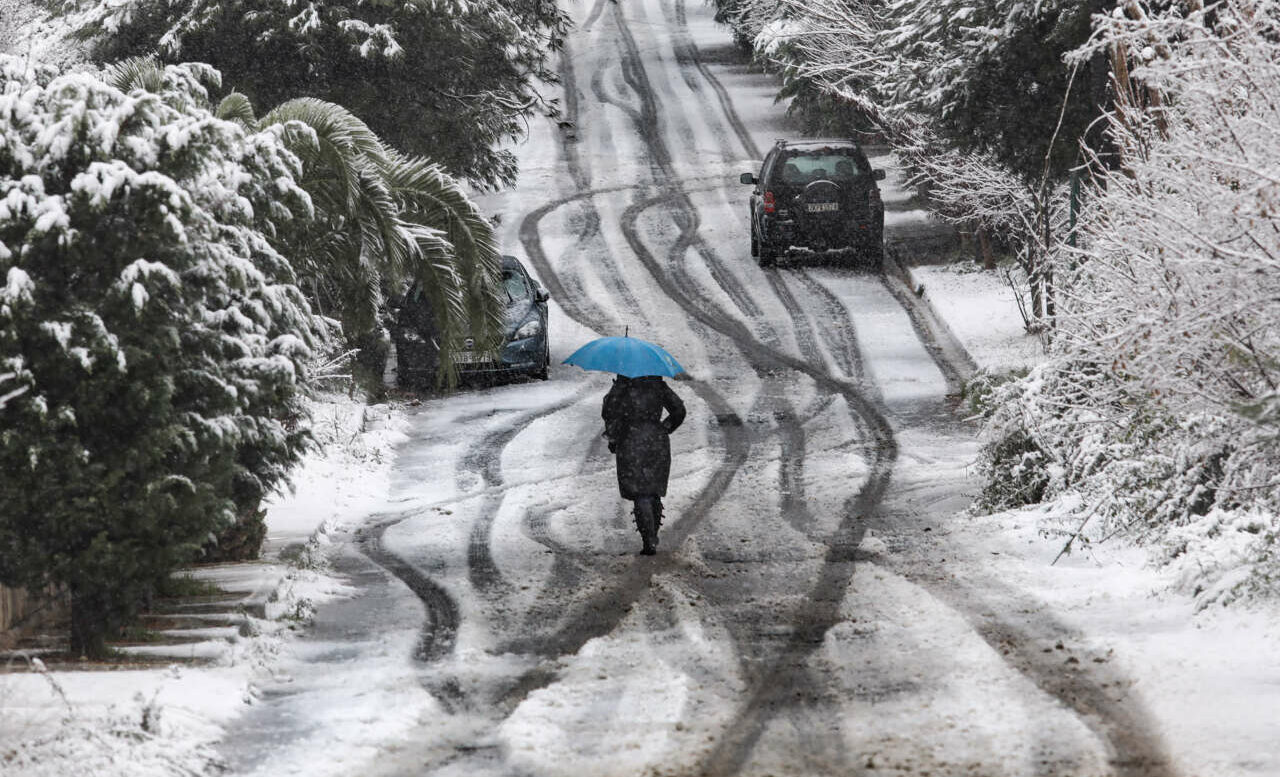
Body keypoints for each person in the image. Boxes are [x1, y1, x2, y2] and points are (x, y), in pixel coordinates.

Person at [601, 375, 686, 555]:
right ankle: (652, 534)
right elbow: (679, 410)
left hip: (630, 440)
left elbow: (608, 412)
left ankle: (648, 539)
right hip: (657, 440)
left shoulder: (623, 386)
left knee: (639, 492)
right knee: (652, 490)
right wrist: (665, 427)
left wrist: (613, 437)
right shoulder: (658, 385)